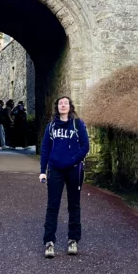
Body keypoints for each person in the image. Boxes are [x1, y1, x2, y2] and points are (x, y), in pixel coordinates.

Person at [39, 96, 89, 258]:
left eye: (65, 103)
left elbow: (85, 146)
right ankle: (49, 242)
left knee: (74, 205)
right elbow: (45, 147)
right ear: (57, 107)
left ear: (70, 106)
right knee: (52, 205)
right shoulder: (52, 126)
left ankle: (73, 239)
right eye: (60, 103)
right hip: (55, 170)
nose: (63, 105)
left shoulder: (77, 124)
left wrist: (73, 160)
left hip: (74, 170)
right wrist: (42, 170)